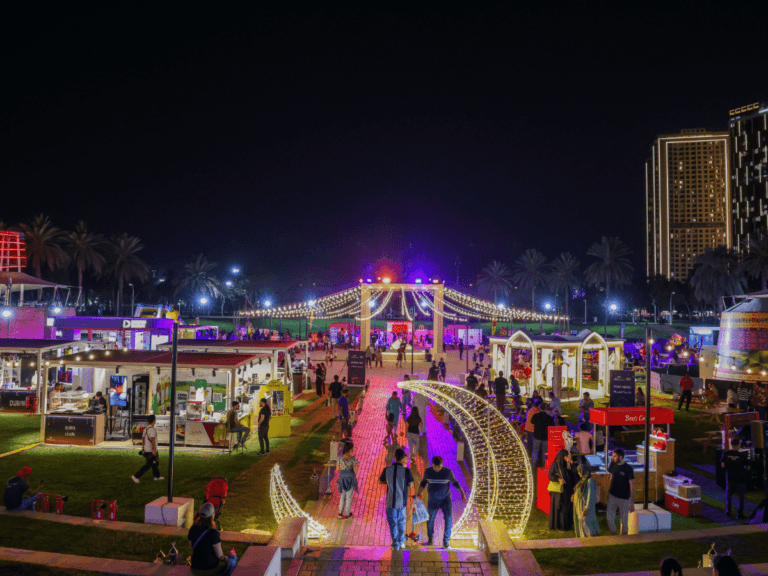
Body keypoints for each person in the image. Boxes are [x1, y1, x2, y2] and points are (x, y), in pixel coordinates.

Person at [415, 456, 466, 549]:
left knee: (449, 519)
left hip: (445, 500)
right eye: (435, 467)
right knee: (430, 519)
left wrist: (462, 493)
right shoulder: (428, 471)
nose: (437, 469)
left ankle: (446, 541)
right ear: (432, 464)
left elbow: (455, 483)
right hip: (433, 500)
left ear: (442, 465)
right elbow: (423, 483)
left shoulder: (447, 472)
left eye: (439, 467)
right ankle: (430, 538)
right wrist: (418, 493)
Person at [188, 502, 237, 576]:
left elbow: (191, 546)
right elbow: (220, 556)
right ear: (212, 516)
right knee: (233, 562)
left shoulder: (193, 528)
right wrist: (227, 558)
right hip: (209, 568)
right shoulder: (213, 533)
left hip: (195, 568)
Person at [379, 448, 414, 551]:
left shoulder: (387, 469)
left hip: (390, 501)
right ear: (403, 458)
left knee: (393, 523)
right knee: (402, 522)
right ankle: (401, 541)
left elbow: (380, 481)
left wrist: (390, 483)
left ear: (394, 457)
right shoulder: (406, 471)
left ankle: (395, 544)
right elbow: (410, 484)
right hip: (402, 502)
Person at [606, 448, 635, 535]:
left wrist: (631, 503)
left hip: (624, 498)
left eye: (615, 456)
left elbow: (632, 486)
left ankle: (624, 538)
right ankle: (614, 533)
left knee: (624, 521)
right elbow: (611, 477)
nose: (613, 458)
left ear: (621, 457)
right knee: (609, 517)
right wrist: (608, 492)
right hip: (612, 495)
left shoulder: (628, 469)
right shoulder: (612, 464)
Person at [721, 436, 749, 520]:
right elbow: (748, 467)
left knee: (728, 495)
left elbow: (722, 465)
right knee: (740, 497)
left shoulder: (725, 454)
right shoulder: (742, 455)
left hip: (730, 478)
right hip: (740, 479)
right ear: (737, 445)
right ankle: (740, 514)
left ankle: (728, 511)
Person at [548, 449, 575, 530]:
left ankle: (567, 524)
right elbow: (550, 475)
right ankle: (559, 525)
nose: (567, 458)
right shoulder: (555, 465)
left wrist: (571, 463)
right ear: (561, 457)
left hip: (567, 489)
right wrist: (558, 479)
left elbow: (574, 472)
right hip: (559, 491)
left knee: (567, 507)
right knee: (560, 507)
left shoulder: (567, 465)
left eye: (567, 456)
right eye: (565, 456)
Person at [132, 415, 163, 483]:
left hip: (147, 449)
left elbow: (143, 438)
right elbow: (152, 440)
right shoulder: (152, 429)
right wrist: (154, 450)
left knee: (155, 463)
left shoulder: (146, 429)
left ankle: (156, 476)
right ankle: (136, 476)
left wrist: (143, 447)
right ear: (154, 421)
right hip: (151, 450)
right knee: (148, 465)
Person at [572, 463, 599, 537]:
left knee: (586, 521)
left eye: (579, 471)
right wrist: (574, 496)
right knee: (581, 521)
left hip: (585, 506)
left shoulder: (590, 481)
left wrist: (587, 508)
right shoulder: (582, 481)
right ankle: (583, 537)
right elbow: (578, 491)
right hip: (579, 506)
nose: (578, 473)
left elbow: (591, 495)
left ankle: (591, 538)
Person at [337, 441, 359, 519]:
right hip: (350, 479)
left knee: (342, 495)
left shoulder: (339, 458)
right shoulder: (352, 459)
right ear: (350, 450)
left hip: (342, 479)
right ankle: (347, 514)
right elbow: (355, 471)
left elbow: (337, 468)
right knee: (349, 497)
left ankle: (340, 513)